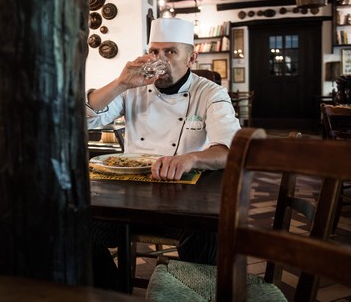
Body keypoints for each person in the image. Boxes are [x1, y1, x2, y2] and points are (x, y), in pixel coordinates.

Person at [86, 17, 241, 291]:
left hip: (183, 202)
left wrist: (191, 158)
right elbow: (87, 119)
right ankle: (111, 293)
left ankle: (194, 293)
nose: (159, 59)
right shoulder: (132, 88)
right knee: (76, 229)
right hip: (130, 198)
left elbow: (230, 151)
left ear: (191, 57)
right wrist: (121, 83)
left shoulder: (210, 93)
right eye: (155, 51)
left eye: (170, 51)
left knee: (208, 233)